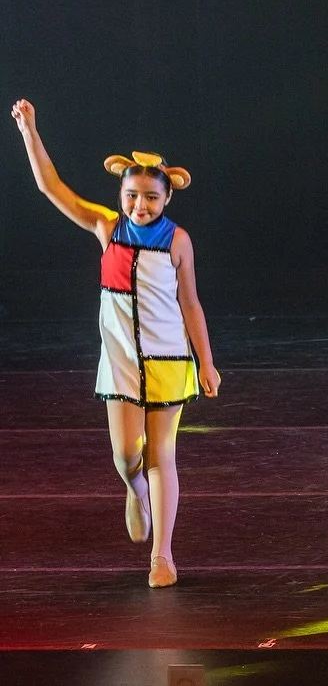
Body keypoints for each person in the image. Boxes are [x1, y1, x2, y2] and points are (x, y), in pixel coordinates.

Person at [11, 101, 220, 587]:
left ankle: (162, 555)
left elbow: (191, 305)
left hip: (168, 358)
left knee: (161, 454)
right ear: (120, 194)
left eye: (149, 196)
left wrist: (206, 363)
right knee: (127, 456)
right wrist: (29, 130)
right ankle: (134, 489)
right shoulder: (107, 228)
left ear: (167, 198)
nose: (139, 205)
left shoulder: (178, 242)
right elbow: (51, 187)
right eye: (131, 195)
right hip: (123, 361)